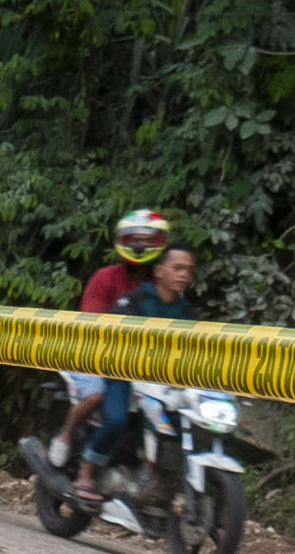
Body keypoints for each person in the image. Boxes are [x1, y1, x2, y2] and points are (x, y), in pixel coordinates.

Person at [77, 244, 201, 495]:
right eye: (177, 268)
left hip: (163, 382)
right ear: (159, 271)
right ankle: (85, 473)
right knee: (116, 420)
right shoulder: (133, 301)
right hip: (122, 373)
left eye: (188, 270)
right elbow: (112, 339)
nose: (184, 275)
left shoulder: (187, 312)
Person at [57, 208, 173, 456]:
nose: (140, 245)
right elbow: (91, 324)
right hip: (93, 354)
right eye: (135, 239)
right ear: (123, 241)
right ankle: (65, 436)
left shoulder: (164, 285)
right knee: (96, 396)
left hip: (143, 362)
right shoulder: (105, 278)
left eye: (147, 240)